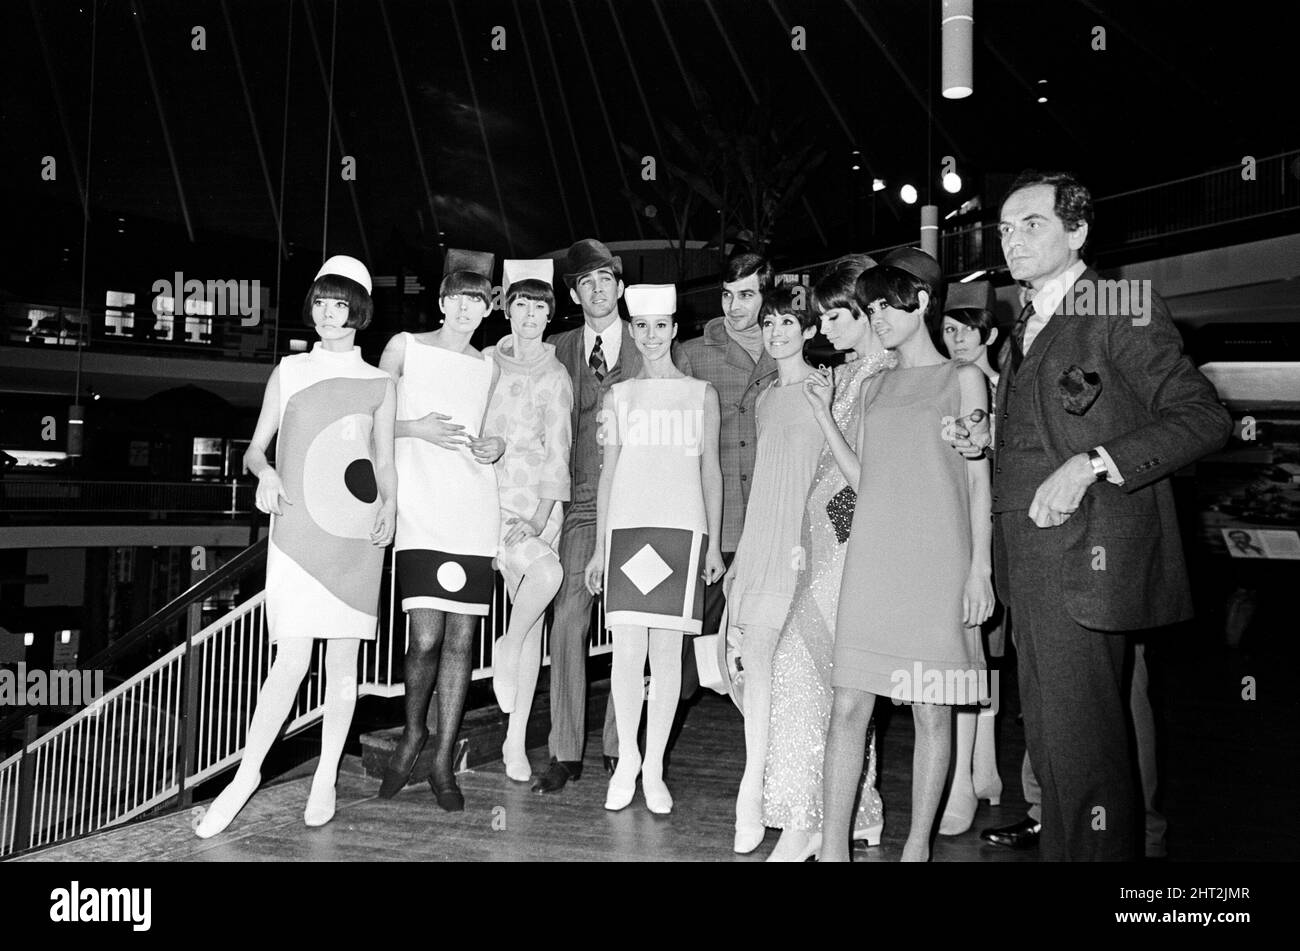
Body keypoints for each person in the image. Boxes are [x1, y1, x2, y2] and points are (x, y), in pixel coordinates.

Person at [951, 170, 1231, 860]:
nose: (1012, 241)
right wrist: (987, 436)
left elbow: (1202, 417)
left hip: (1086, 562)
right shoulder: (1030, 315)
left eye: (1032, 224)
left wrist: (1095, 462)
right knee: (1057, 750)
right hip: (1035, 568)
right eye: (1005, 229)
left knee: (1084, 759)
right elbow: (1056, 426)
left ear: (1077, 230)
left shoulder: (1117, 304)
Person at [195, 255, 395, 837]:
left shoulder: (382, 381)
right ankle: (246, 776)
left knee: (343, 662)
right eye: (320, 303)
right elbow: (256, 448)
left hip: (357, 532)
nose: (327, 315)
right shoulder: (288, 369)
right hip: (297, 526)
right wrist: (265, 473)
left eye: (339, 304)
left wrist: (392, 509)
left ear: (357, 310)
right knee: (290, 659)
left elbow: (382, 460)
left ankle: (327, 774)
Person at [821, 248, 993, 862]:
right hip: (874, 559)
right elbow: (863, 479)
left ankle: (917, 845)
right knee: (847, 706)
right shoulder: (873, 385)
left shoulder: (963, 379)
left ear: (921, 302)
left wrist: (980, 570)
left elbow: (977, 481)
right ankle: (834, 848)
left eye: (886, 307)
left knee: (930, 709)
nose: (877, 320)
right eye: (869, 310)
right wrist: (825, 418)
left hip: (939, 560)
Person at [762, 255, 896, 862]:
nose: (826, 328)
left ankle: (808, 820)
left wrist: (821, 412)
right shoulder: (849, 372)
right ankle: (854, 810)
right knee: (829, 683)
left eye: (838, 315)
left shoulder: (880, 377)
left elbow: (863, 479)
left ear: (870, 311)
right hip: (821, 543)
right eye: (823, 317)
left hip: (853, 547)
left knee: (807, 673)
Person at [584, 283, 723, 814]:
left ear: (673, 329)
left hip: (680, 533)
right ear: (633, 331)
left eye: (660, 326)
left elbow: (709, 469)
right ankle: (626, 764)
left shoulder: (701, 394)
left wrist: (709, 542)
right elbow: (609, 473)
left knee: (667, 659)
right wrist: (600, 548)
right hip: (628, 533)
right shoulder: (619, 396)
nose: (650, 336)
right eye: (640, 326)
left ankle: (656, 766)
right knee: (626, 657)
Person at [377, 250, 505, 811]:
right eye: (458, 298)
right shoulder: (404, 346)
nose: (466, 308)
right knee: (424, 636)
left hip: (473, 504)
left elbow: (493, 431)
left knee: (461, 641)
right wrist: (415, 428)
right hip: (421, 506)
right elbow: (368, 417)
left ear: (486, 310)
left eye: (478, 301)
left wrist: (495, 445)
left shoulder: (489, 365)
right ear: (442, 302)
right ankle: (413, 732)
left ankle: (443, 759)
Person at [534, 239, 645, 793]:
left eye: (605, 279)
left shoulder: (650, 343)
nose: (597, 289)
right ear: (574, 295)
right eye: (585, 283)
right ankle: (565, 750)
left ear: (620, 287)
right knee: (569, 619)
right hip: (579, 500)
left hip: (639, 497)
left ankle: (619, 746)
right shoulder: (557, 348)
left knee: (630, 624)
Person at [718, 286, 823, 853]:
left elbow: (840, 487)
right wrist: (740, 564)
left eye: (790, 322)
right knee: (753, 677)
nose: (778, 331)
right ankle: (751, 794)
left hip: (805, 553)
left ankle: (802, 810)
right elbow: (762, 486)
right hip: (760, 548)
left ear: (810, 331)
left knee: (798, 685)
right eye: (771, 321)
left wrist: (824, 551)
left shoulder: (824, 391)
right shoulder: (762, 400)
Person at [484, 259, 573, 783]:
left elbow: (559, 450)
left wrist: (541, 518)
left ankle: (514, 741)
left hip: (538, 507)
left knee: (536, 606)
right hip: (488, 501)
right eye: (521, 304)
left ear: (549, 315)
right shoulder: (486, 363)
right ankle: (510, 645)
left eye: (540, 307)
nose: (530, 315)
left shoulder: (556, 373)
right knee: (540, 588)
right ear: (507, 308)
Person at [678, 253, 779, 676]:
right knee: (683, 640)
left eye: (746, 295)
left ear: (767, 296)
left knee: (762, 646)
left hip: (771, 522)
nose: (734, 306)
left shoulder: (790, 352)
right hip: (713, 524)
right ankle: (634, 735)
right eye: (727, 295)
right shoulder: (693, 355)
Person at [936, 280, 1005, 835]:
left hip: (1009, 535)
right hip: (965, 531)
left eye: (967, 330)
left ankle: (984, 764)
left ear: (990, 334)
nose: (956, 339)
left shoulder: (1003, 385)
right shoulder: (952, 385)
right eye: (949, 329)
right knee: (969, 653)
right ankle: (966, 776)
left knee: (991, 656)